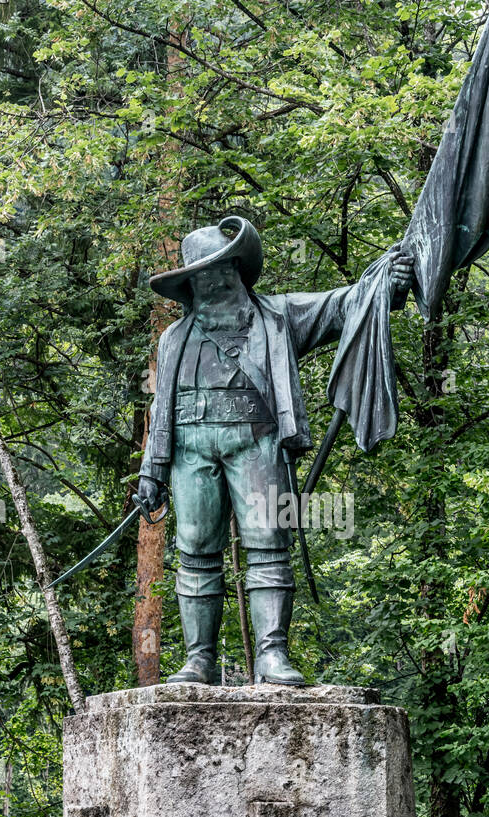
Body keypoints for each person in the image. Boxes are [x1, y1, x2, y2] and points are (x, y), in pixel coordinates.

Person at [137, 216, 413, 685]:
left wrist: (386, 280)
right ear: (191, 284)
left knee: (269, 546)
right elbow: (161, 410)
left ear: (236, 270)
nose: (212, 280)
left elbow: (343, 304)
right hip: (191, 450)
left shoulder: (279, 318)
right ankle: (198, 658)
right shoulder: (173, 338)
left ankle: (270, 655)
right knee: (196, 551)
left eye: (220, 269)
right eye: (201, 273)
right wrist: (152, 470)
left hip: (259, 441)